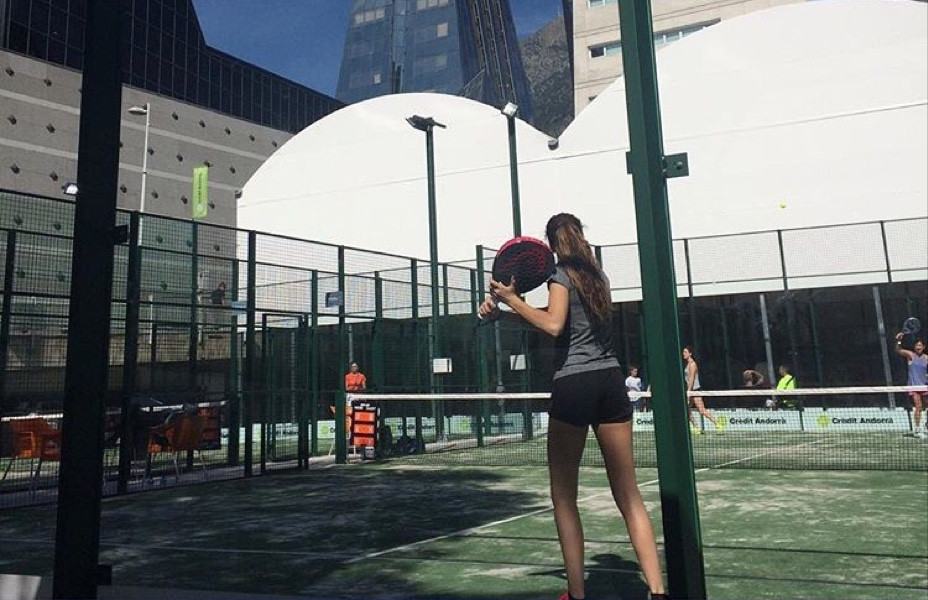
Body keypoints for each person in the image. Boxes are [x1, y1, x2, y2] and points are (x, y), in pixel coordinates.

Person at [479, 213, 666, 600]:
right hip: (610, 383)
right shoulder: (599, 278)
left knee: (564, 497)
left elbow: (554, 325)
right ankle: (658, 591)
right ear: (581, 236)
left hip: (575, 385)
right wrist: (507, 310)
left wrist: (511, 300)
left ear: (550, 245)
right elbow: (561, 322)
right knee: (629, 495)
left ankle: (577, 594)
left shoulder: (560, 275)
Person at [895, 332, 927, 438]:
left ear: (923, 347)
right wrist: (899, 340)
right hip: (914, 386)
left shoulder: (926, 358)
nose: (918, 347)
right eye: (917, 345)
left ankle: (925, 427)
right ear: (914, 347)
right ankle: (917, 430)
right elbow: (898, 350)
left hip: (925, 386)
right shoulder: (911, 355)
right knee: (918, 407)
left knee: (925, 407)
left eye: (920, 345)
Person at [682, 346, 721, 433]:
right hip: (690, 391)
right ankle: (696, 428)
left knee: (702, 410)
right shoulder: (687, 364)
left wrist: (689, 392)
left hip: (695, 391)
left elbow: (692, 379)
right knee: (687, 409)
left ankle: (717, 424)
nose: (683, 354)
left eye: (685, 352)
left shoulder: (693, 364)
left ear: (690, 353)